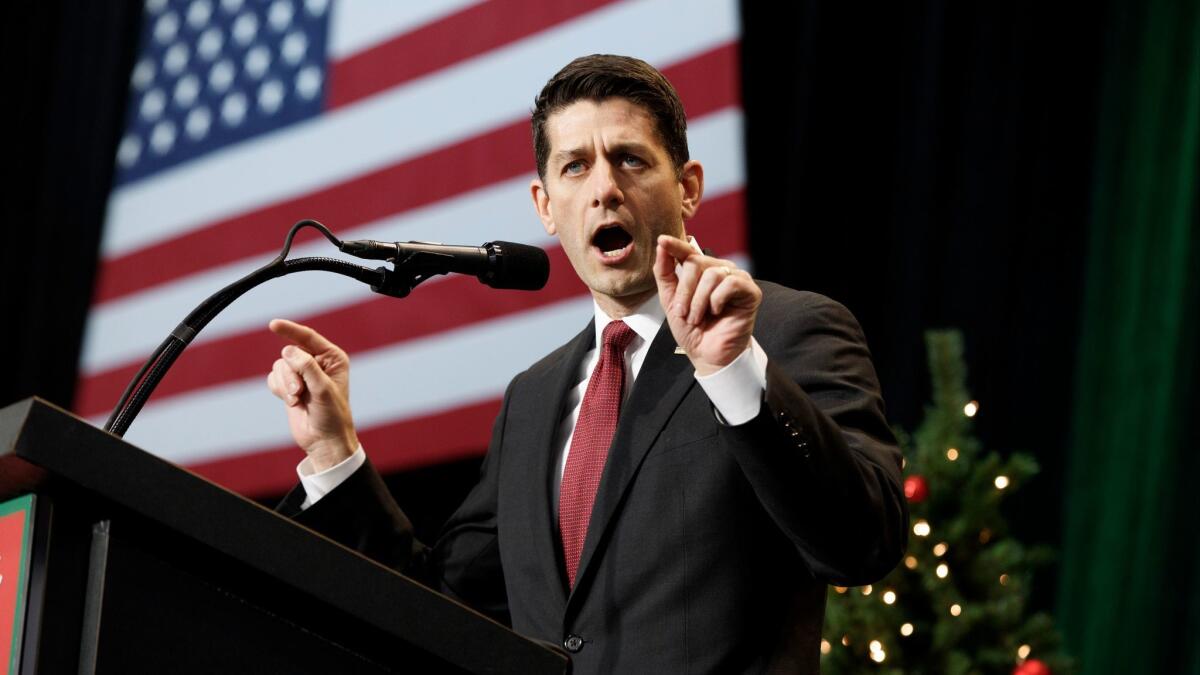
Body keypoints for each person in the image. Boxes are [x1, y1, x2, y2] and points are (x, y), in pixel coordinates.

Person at [266, 54, 906, 674]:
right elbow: (444, 602)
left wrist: (734, 371)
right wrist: (333, 451)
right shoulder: (533, 399)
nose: (604, 189)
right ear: (545, 207)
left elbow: (863, 544)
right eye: (576, 167)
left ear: (687, 189)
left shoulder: (790, 330)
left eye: (629, 159)